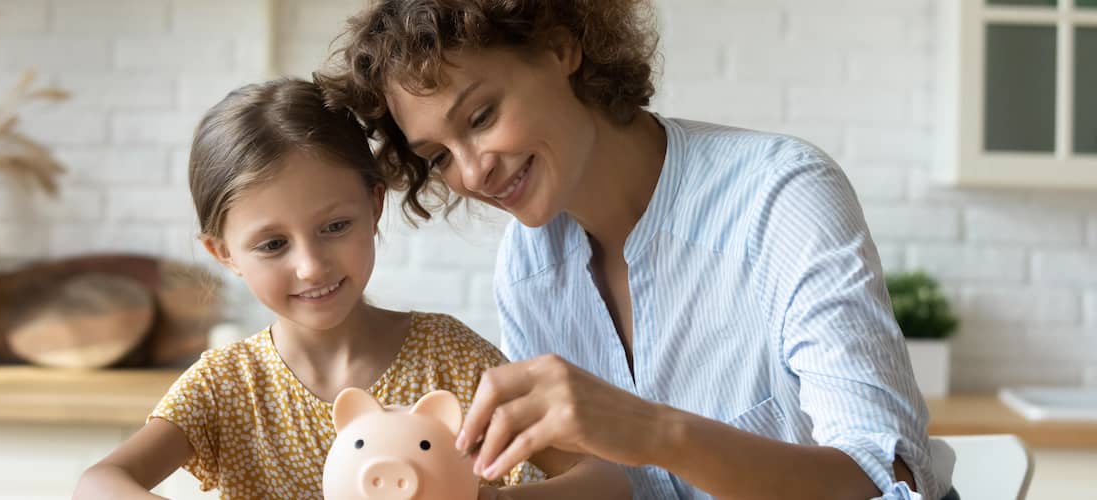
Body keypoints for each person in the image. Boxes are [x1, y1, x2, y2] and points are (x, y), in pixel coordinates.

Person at [317, 1, 955, 499]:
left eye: (481, 117)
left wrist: (651, 431)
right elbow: (616, 486)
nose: (473, 173)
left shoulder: (778, 196)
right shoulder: (529, 264)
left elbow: (885, 482)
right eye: (439, 157)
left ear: (560, 47)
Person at [71, 78, 630, 500]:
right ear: (223, 254)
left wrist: (482, 497)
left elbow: (606, 481)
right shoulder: (225, 386)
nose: (312, 267)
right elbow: (99, 482)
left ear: (374, 206)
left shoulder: (449, 361)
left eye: (334, 227)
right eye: (272, 245)